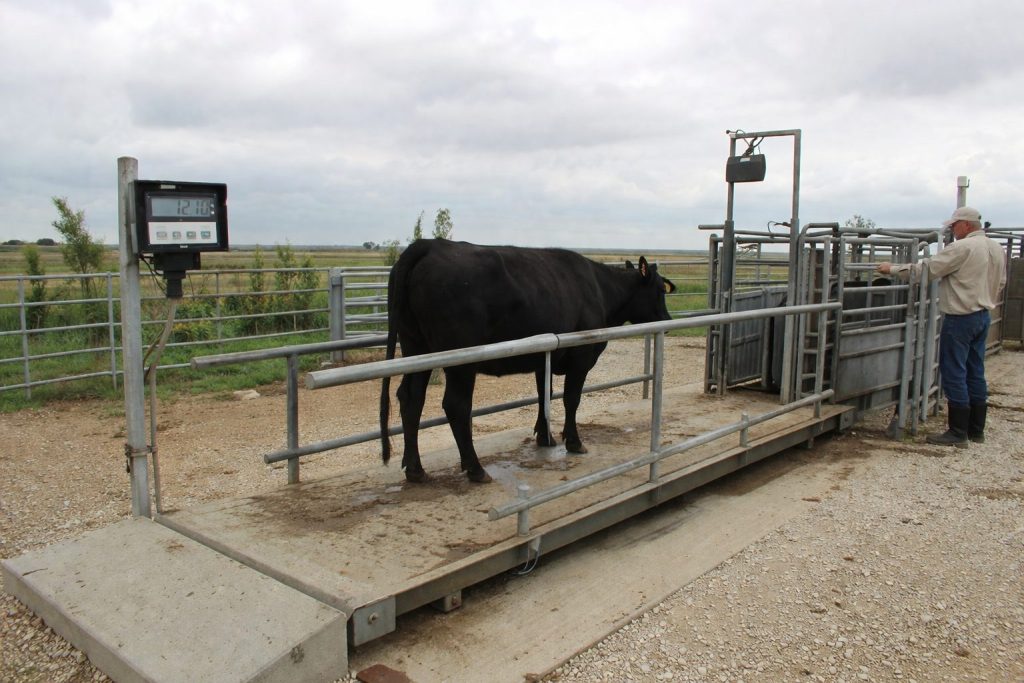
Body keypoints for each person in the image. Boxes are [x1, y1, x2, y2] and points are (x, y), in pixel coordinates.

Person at [877, 206, 1006, 447]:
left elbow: (929, 269)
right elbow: (1002, 282)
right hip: (983, 315)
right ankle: (976, 430)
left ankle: (957, 432)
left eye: (954, 225)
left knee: (954, 370)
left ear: (966, 225)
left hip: (960, 317)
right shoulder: (997, 249)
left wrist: (892, 269)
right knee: (975, 370)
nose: (951, 230)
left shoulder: (963, 247)